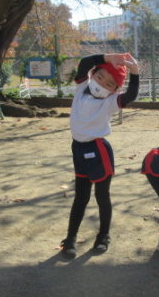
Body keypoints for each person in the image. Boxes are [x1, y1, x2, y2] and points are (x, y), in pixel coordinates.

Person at [60, 53, 139, 258]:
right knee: (81, 197)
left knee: (102, 196)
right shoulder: (81, 87)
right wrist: (108, 57)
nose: (102, 83)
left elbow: (131, 95)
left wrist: (135, 72)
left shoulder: (110, 101)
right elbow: (84, 63)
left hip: (98, 151)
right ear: (93, 74)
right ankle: (70, 238)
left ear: (115, 90)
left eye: (110, 83)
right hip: (78, 149)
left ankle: (103, 236)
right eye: (100, 76)